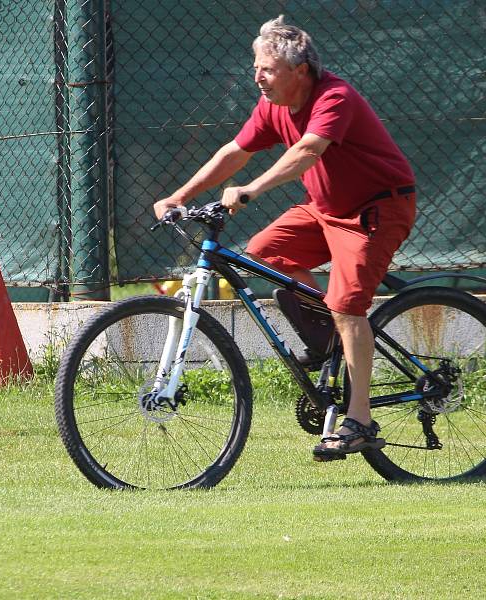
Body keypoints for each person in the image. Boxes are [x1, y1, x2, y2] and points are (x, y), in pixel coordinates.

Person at [153, 15, 416, 461]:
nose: (258, 76)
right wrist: (179, 195)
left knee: (347, 305)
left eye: (267, 69)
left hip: (377, 209)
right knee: (263, 252)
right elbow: (235, 151)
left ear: (300, 70)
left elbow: (308, 151)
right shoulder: (273, 105)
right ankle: (330, 341)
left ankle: (359, 419)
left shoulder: (334, 96)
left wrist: (252, 190)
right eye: (256, 67)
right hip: (326, 209)